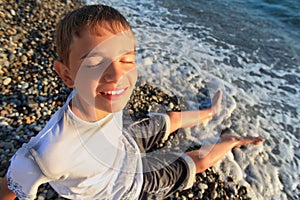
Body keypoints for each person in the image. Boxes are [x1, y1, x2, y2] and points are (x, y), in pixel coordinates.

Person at [0, 4, 264, 200]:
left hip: (122, 141)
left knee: (170, 119)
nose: (117, 75)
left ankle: (211, 111)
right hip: (128, 186)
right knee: (195, 161)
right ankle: (231, 140)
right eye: (95, 62)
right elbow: (9, 187)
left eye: (126, 60)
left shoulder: (102, 95)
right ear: (66, 75)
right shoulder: (47, 154)